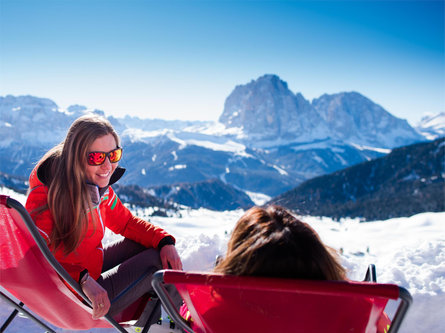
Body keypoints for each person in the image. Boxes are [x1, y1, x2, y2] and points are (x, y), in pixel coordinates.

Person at [25, 114, 182, 328]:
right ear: (76, 158)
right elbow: (34, 260)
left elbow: (126, 223)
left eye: (114, 155)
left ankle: (161, 321)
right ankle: (179, 324)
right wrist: (82, 279)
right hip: (70, 298)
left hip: (85, 272)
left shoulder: (95, 187)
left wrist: (164, 241)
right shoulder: (47, 197)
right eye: (97, 158)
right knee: (158, 265)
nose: (108, 166)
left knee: (149, 244)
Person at [181, 205, 390, 332]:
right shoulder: (356, 308)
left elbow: (187, 315)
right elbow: (382, 326)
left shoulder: (212, 309)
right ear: (317, 259)